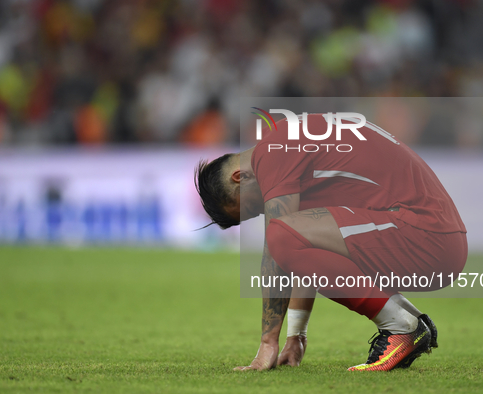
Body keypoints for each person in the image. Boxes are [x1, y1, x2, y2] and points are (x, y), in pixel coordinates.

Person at [194, 113, 467, 371]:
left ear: (239, 177)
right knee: (289, 231)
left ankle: (401, 328)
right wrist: (296, 334)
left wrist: (268, 342)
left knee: (280, 232)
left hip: (426, 234)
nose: (265, 209)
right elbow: (303, 250)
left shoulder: (275, 149)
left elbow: (281, 244)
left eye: (253, 207)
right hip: (437, 238)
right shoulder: (290, 141)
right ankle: (410, 319)